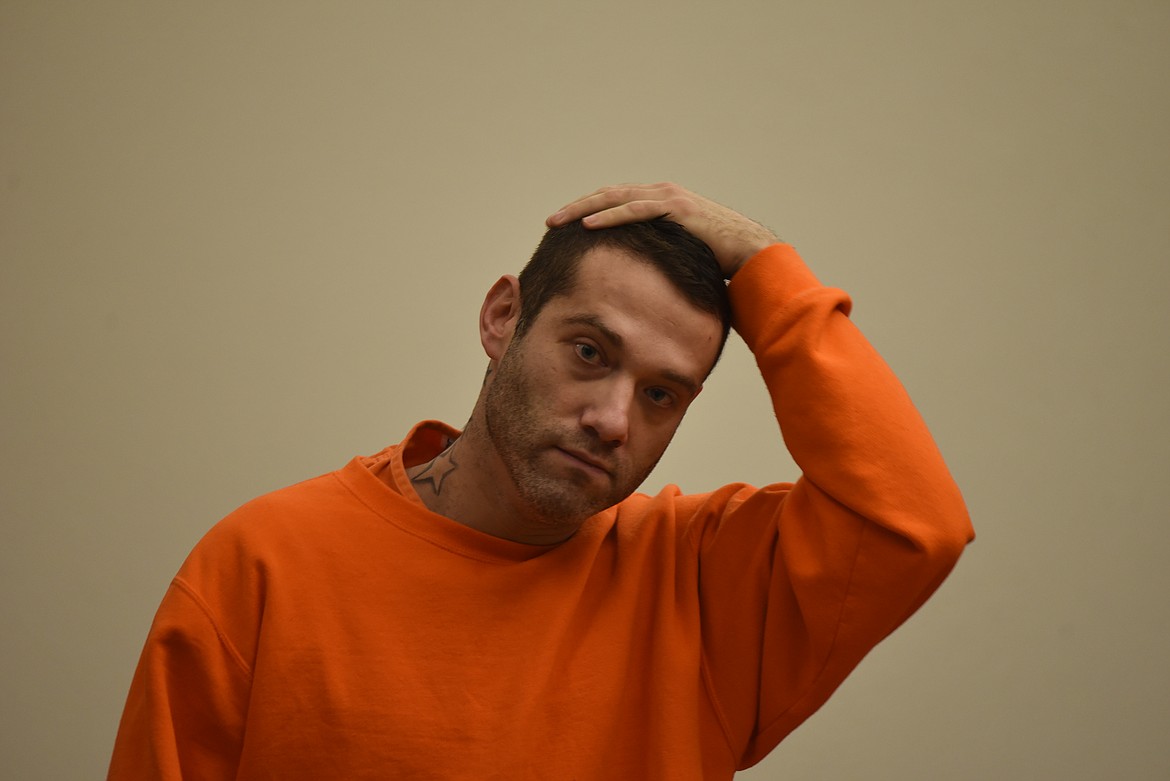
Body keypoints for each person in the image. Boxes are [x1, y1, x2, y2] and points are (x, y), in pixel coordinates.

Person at [108, 183, 973, 780]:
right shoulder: (261, 565)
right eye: (590, 353)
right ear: (503, 316)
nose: (612, 418)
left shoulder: (703, 586)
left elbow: (913, 523)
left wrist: (765, 266)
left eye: (662, 394)